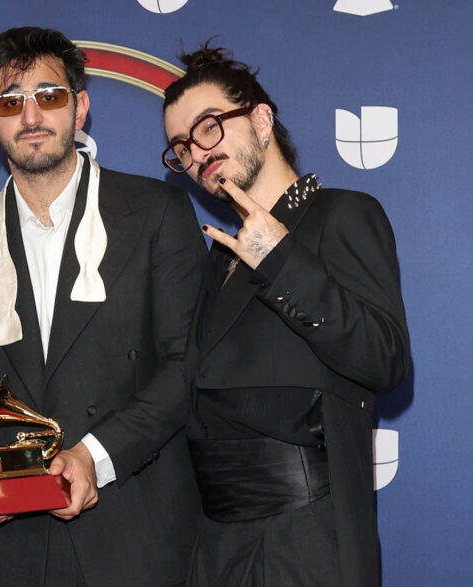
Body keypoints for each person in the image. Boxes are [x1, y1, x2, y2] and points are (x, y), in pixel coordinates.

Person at [0, 27, 206, 586]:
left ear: (80, 107)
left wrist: (93, 456)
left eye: (49, 96)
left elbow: (186, 366)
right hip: (13, 550)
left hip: (138, 536)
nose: (31, 116)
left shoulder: (157, 213)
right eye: (10, 102)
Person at [161, 44, 411, 586]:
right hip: (215, 547)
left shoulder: (343, 213)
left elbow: (386, 359)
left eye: (208, 127)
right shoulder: (217, 258)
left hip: (305, 544)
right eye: (181, 147)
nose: (196, 153)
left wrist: (280, 260)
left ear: (261, 120)